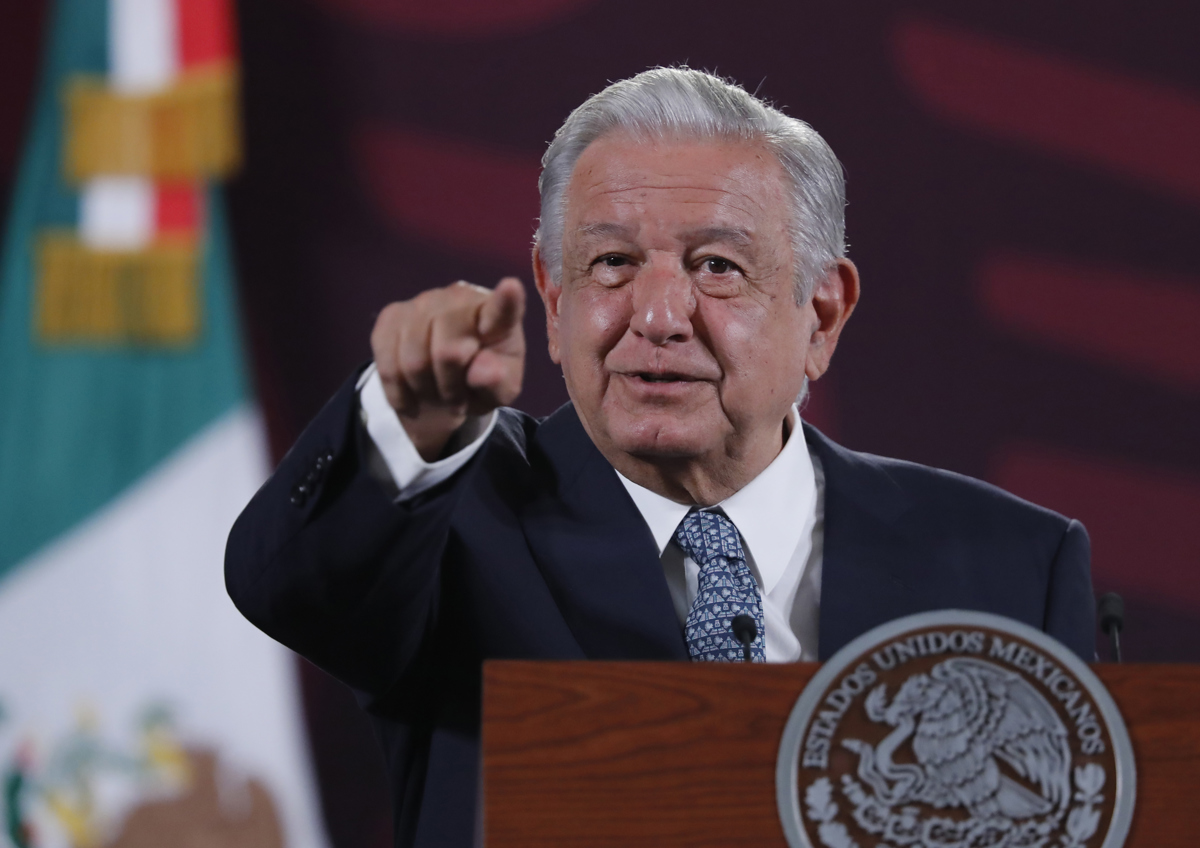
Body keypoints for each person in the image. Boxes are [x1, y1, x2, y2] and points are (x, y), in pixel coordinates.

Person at [225, 68, 1094, 847]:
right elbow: (293, 583)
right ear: (555, 296)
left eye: (717, 267)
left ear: (822, 315)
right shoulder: (452, 520)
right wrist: (401, 421)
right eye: (612, 264)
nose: (658, 315)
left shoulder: (1009, 565)